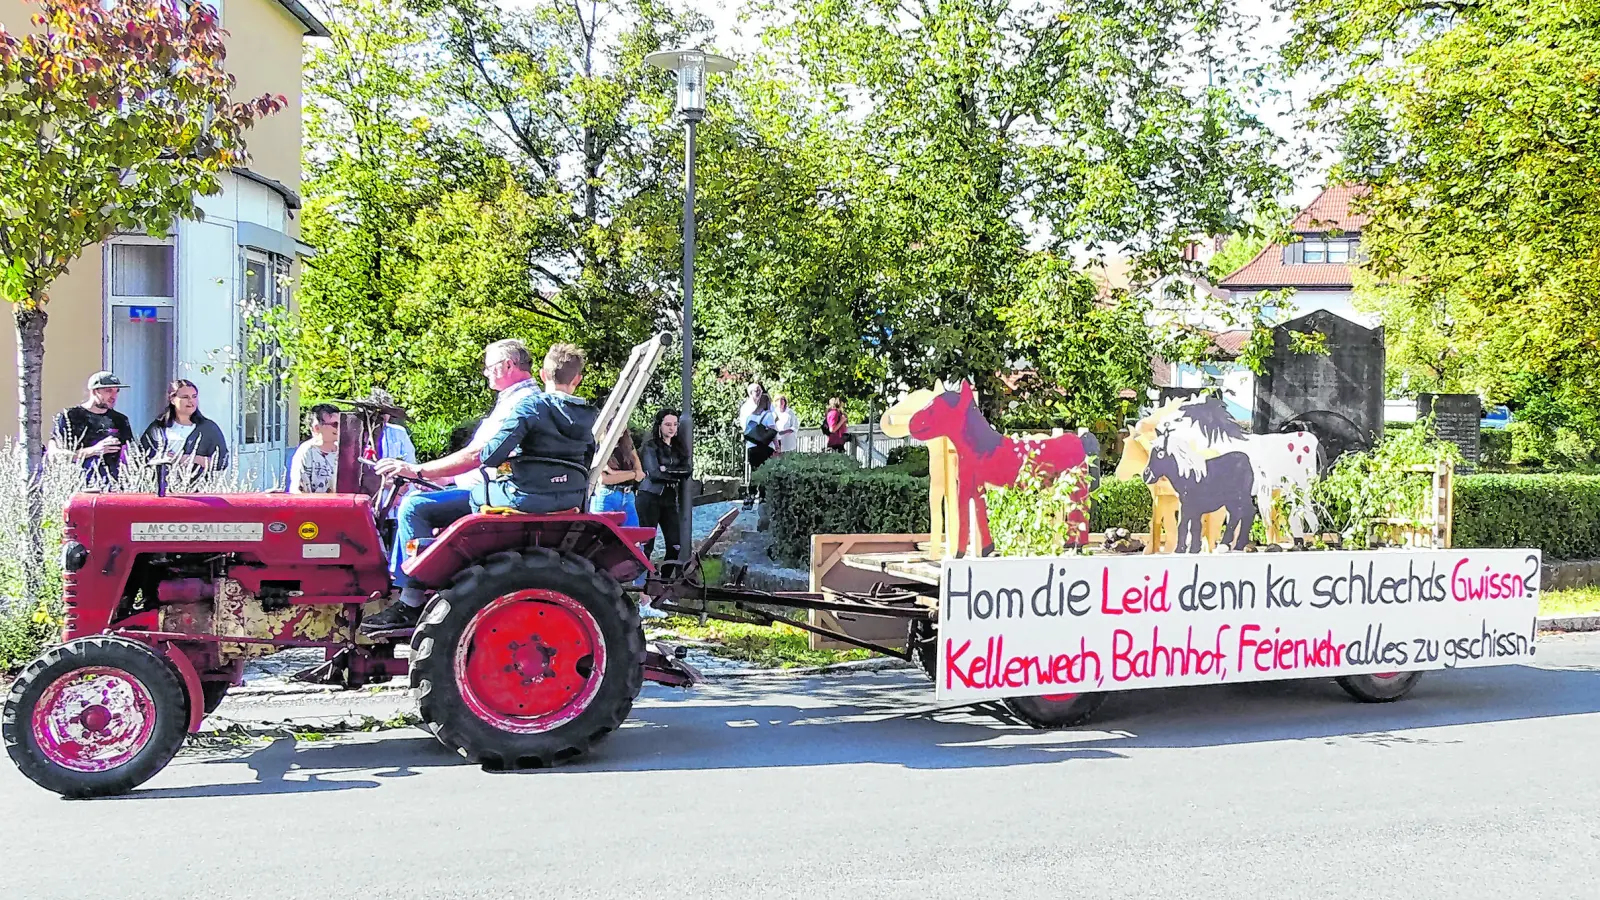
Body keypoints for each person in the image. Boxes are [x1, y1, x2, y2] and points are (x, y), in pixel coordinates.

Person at [361, 341, 597, 632]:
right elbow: (587, 460)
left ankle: (412, 598)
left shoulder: (528, 405)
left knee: (416, 506)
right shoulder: (587, 414)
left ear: (543, 374)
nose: (485, 372)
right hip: (565, 498)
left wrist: (420, 471)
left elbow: (487, 455)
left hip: (520, 496)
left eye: (489, 366)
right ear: (577, 379)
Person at [49, 371, 136, 485]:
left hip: (112, 487)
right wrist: (94, 450)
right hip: (77, 485)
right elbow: (55, 455)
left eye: (116, 391)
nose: (113, 396)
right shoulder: (70, 417)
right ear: (94, 391)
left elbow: (130, 455)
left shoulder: (120, 420)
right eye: (108, 391)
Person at [138, 379, 229, 474]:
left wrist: (194, 459)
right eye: (185, 397)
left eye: (194, 397)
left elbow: (222, 461)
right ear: (172, 399)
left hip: (195, 486)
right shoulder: (158, 427)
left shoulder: (208, 428)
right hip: (160, 486)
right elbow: (141, 456)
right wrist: (161, 458)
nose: (191, 401)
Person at [637, 408, 688, 566]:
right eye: (667, 424)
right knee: (647, 545)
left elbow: (688, 470)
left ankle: (664, 581)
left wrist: (667, 470)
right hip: (649, 497)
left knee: (675, 545)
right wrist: (676, 473)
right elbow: (654, 474)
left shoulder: (678, 448)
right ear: (659, 425)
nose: (672, 428)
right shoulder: (650, 447)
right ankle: (643, 584)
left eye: (675, 424)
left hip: (669, 498)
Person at [590, 429, 645, 526]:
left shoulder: (627, 443)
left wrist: (613, 473)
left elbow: (640, 474)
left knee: (632, 537)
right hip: (606, 495)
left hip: (628, 496)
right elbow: (604, 479)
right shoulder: (598, 444)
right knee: (602, 537)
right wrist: (633, 474)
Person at [288, 404, 342, 493]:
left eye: (341, 423)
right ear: (317, 428)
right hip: (313, 505)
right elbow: (300, 490)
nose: (339, 428)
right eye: (335, 424)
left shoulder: (344, 451)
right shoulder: (306, 451)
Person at [740, 383, 776, 503]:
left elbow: (746, 430)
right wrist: (777, 447)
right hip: (765, 448)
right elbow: (773, 432)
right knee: (764, 471)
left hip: (751, 447)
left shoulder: (750, 416)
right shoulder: (768, 415)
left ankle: (750, 494)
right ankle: (762, 495)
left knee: (754, 471)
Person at [366, 387, 417, 466]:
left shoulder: (399, 432)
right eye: (377, 413)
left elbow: (410, 461)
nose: (381, 417)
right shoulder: (361, 433)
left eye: (385, 412)